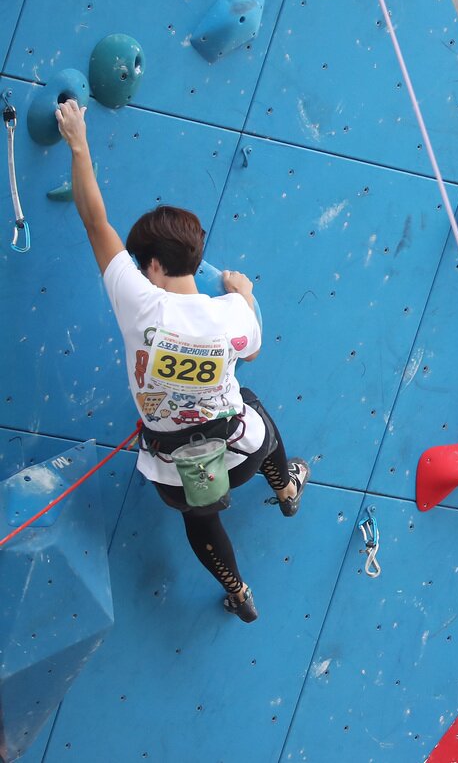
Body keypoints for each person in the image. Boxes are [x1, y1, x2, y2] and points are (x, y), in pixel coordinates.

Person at [55, 99, 308, 623]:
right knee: (254, 408)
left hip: (176, 473)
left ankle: (238, 592)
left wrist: (78, 141)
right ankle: (284, 485)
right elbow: (253, 349)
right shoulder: (231, 312)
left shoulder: (139, 301)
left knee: (198, 515)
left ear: (150, 266)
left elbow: (93, 219)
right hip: (240, 454)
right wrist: (243, 290)